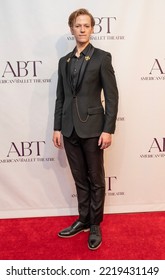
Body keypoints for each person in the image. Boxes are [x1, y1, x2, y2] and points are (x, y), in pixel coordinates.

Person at [53, 8, 118, 250]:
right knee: (80, 179)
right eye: (78, 26)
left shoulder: (102, 57)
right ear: (72, 29)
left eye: (86, 26)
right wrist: (57, 127)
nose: (82, 29)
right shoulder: (64, 62)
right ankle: (83, 219)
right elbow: (61, 97)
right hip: (68, 130)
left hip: (93, 128)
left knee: (96, 179)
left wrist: (108, 128)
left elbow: (112, 96)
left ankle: (95, 225)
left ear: (92, 29)